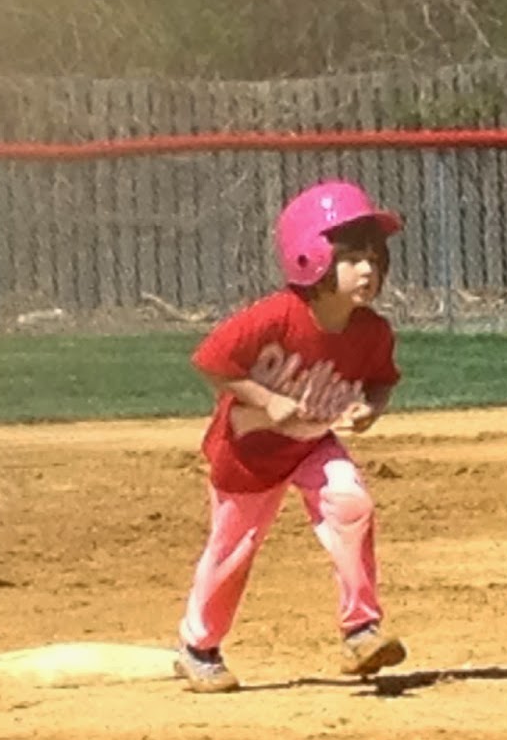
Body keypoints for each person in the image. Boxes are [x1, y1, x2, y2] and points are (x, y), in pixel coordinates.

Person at [174, 180, 408, 693]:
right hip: (249, 451)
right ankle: (197, 647)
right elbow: (212, 362)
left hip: (312, 442)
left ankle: (361, 629)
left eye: (374, 258)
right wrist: (264, 398)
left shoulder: (371, 332)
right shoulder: (275, 316)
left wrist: (371, 408)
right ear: (311, 257)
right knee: (233, 548)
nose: (368, 269)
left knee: (350, 503)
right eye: (351, 258)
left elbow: (382, 380)